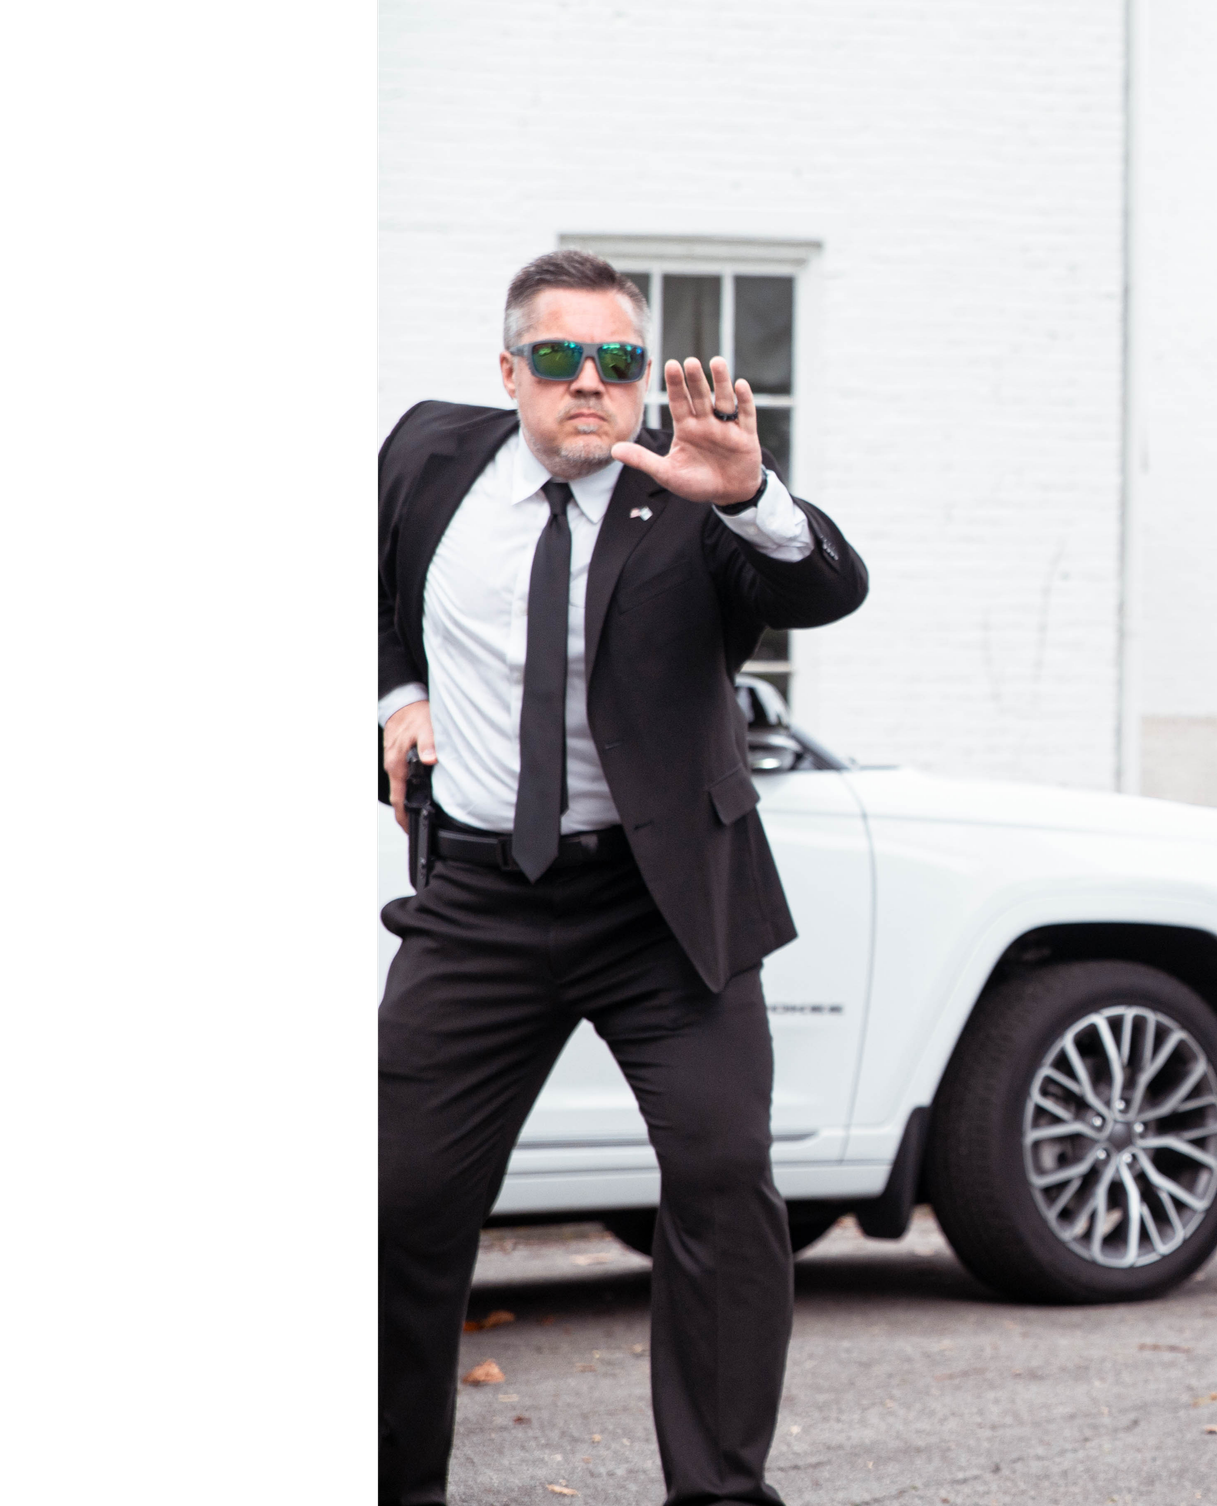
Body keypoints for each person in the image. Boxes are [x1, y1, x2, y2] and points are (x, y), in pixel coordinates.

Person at [376, 250, 869, 1504]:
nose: (588, 383)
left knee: (720, 1180)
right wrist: (398, 695)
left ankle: (718, 1490)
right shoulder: (431, 460)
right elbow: (383, 597)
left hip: (663, 911)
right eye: (558, 358)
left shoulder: (689, 494)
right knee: (401, 1198)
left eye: (617, 361)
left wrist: (752, 490)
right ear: (510, 369)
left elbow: (823, 586)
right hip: (480, 899)